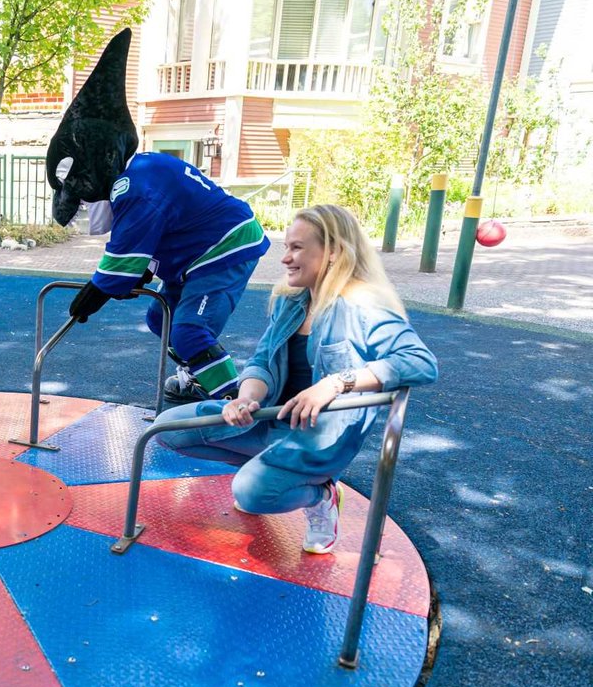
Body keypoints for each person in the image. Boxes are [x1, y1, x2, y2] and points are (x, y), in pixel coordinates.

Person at [157, 205, 438, 554]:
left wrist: (336, 383)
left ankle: (321, 495)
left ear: (333, 252)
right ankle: (268, 468)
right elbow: (261, 360)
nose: (286, 258)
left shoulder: (364, 306)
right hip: (270, 417)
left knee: (250, 492)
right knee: (167, 427)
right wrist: (246, 397)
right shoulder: (291, 302)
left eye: (296, 248)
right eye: (287, 247)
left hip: (318, 436)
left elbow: (421, 363)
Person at [45, 30, 268, 405]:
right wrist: (138, 271)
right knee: (158, 318)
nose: (83, 208)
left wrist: (93, 295)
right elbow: (159, 232)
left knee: (189, 332)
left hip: (222, 249)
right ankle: (199, 375)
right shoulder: (141, 172)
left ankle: (236, 405)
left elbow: (117, 270)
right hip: (196, 253)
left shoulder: (133, 188)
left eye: (81, 197)